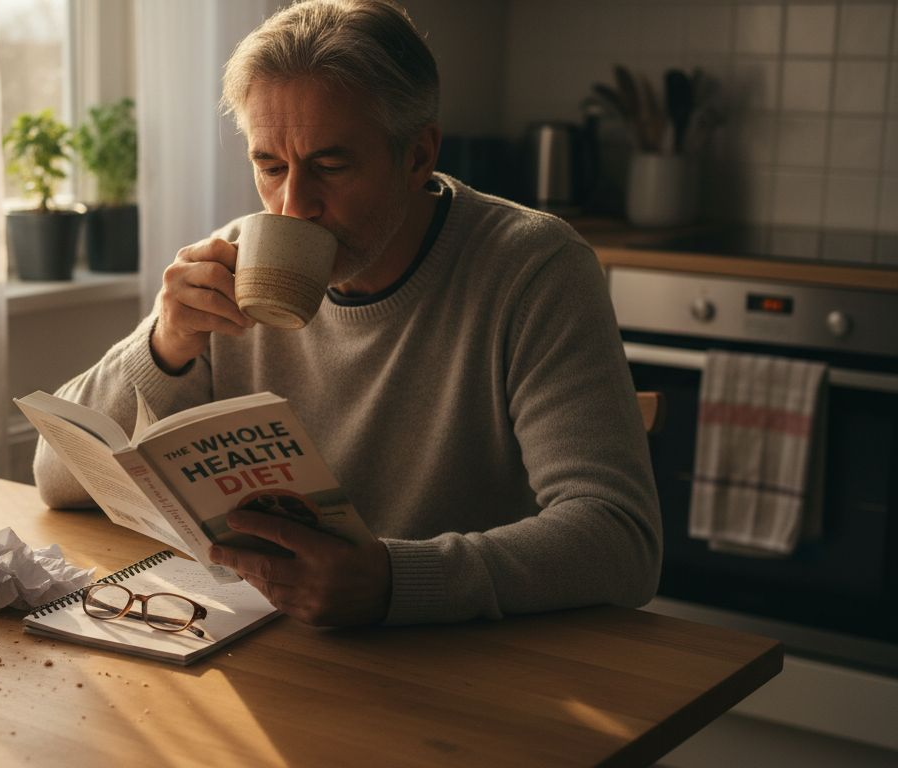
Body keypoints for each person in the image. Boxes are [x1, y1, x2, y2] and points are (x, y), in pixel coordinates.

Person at [34, 0, 660, 627]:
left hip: (468, 663)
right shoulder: (232, 268)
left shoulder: (532, 269)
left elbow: (620, 540)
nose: (293, 205)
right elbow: (55, 477)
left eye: (330, 166)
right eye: (269, 166)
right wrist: (164, 344)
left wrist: (396, 580)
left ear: (417, 157)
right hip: (277, 649)